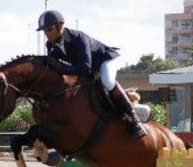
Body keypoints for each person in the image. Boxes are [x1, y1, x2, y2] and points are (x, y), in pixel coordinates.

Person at [36, 10, 146, 139]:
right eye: (44, 31)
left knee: (107, 81)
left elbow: (85, 67)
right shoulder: (50, 45)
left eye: (49, 29)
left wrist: (62, 69)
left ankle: (135, 120)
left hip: (104, 61)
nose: (46, 34)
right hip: (86, 67)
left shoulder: (79, 38)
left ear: (60, 25)